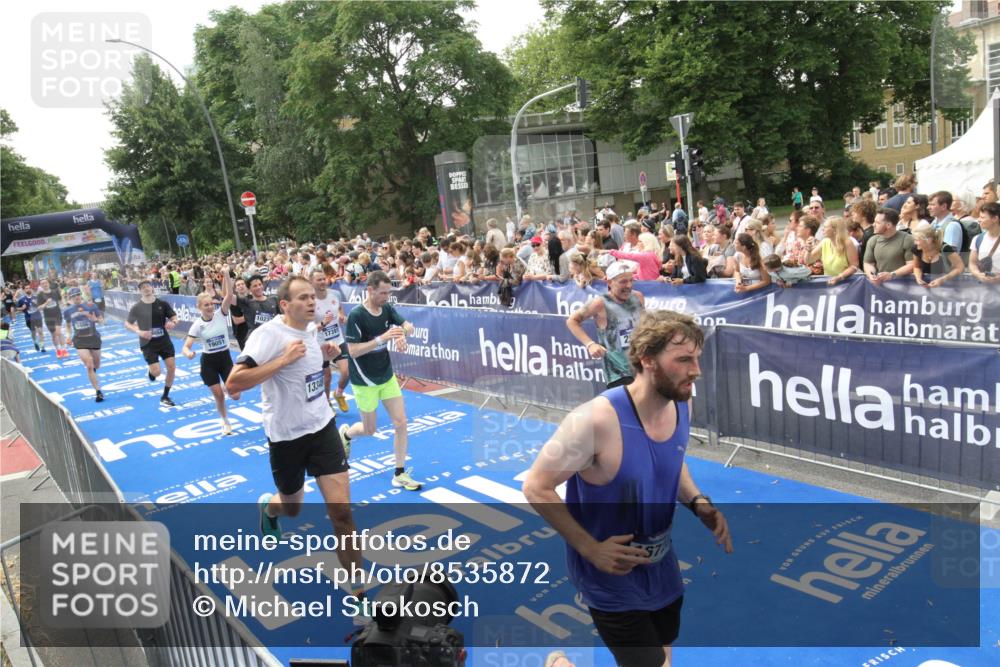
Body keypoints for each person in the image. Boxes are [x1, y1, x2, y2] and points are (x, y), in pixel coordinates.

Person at [523, 310, 732, 667]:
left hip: (661, 566)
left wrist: (697, 502)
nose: (696, 370)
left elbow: (671, 459)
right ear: (648, 360)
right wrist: (590, 549)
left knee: (664, 656)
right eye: (684, 360)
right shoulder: (593, 420)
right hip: (610, 576)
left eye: (697, 358)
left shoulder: (682, 403)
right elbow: (536, 486)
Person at [225, 276, 366, 616]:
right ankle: (269, 509)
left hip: (323, 429)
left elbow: (309, 377)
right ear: (285, 305)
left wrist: (326, 359)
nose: (311, 302)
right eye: (302, 297)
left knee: (342, 514)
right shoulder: (268, 335)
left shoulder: (314, 329)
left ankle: (360, 595)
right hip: (286, 437)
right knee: (292, 508)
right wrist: (282, 361)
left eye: (312, 296)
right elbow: (233, 383)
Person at [338, 272, 422, 491]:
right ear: (370, 290)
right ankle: (346, 434)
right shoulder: (356, 315)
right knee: (369, 430)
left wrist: (401, 334)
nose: (386, 297)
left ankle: (399, 473)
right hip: (364, 380)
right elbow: (353, 351)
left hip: (386, 375)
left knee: (401, 422)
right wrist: (381, 339)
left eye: (388, 293)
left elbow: (408, 325)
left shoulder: (387, 309)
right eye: (382, 293)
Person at [567, 261, 645, 389]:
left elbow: (643, 325)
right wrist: (590, 344)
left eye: (631, 280)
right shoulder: (600, 303)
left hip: (641, 367)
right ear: (609, 282)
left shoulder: (638, 297)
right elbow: (572, 321)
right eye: (623, 282)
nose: (629, 285)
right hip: (618, 373)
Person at [182, 271, 241, 433]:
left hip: (225, 359)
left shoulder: (221, 314)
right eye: (206, 305)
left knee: (236, 396)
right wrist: (188, 353)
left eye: (211, 304)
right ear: (199, 307)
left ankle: (225, 386)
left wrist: (226, 276)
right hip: (209, 363)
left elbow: (229, 295)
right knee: (219, 396)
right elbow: (186, 346)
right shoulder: (197, 325)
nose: (210, 307)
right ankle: (225, 421)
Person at [125, 280, 179, 407]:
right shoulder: (137, 307)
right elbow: (127, 324)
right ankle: (151, 372)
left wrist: (173, 323)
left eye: (148, 286)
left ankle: (165, 396)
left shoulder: (162, 304)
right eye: (143, 287)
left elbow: (175, 317)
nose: (146, 288)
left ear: (152, 288)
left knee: (171, 367)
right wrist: (139, 331)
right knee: (157, 373)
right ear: (140, 291)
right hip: (148, 343)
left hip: (164, 341)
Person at [310, 268, 351, 412]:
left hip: (337, 339)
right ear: (311, 282)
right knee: (326, 376)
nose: (323, 282)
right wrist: (323, 324)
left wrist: (341, 316)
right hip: (320, 343)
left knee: (347, 371)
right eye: (319, 280)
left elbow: (339, 308)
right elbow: (308, 328)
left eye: (323, 279)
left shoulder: (335, 294)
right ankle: (327, 404)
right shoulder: (310, 301)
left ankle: (338, 393)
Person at [62, 287, 105, 402]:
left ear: (80, 295)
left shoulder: (91, 306)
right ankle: (98, 391)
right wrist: (67, 336)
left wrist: (96, 320)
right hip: (79, 340)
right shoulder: (67, 311)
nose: (76, 297)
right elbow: (68, 326)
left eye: (78, 294)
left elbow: (102, 321)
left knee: (97, 365)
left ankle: (94, 373)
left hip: (93, 338)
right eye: (73, 296)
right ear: (70, 298)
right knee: (89, 364)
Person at [864, 208, 915, 285]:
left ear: (888, 225)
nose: (873, 225)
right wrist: (872, 275)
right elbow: (868, 263)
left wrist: (892, 275)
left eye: (877, 223)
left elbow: (912, 265)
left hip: (903, 286)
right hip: (881, 286)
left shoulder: (907, 239)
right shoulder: (873, 240)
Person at [806, 217, 859, 286]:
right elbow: (809, 261)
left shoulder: (847, 243)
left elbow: (854, 266)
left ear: (835, 230)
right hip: (830, 282)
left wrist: (839, 277)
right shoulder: (824, 242)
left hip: (846, 283)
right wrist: (808, 250)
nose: (822, 229)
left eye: (825, 227)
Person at [910, 222, 965, 288]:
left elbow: (960, 267)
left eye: (917, 240)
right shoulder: (916, 249)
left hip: (949, 287)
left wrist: (942, 279)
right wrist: (918, 278)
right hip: (927, 287)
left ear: (929, 240)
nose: (915, 243)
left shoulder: (945, 249)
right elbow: (917, 267)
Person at [970, 202, 1000, 284]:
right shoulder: (977, 239)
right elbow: (972, 263)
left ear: (995, 218)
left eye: (982, 217)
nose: (979, 220)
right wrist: (978, 274)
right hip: (984, 288)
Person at [37, 279, 68, 358]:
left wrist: (64, 305)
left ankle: (64, 349)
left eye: (46, 283)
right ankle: (58, 350)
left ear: (49, 283)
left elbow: (61, 300)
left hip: (57, 314)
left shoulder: (55, 292)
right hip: (48, 317)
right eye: (42, 283)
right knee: (54, 335)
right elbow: (39, 308)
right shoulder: (40, 295)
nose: (45, 284)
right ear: (41, 286)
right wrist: (46, 303)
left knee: (58, 332)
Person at [17, 285, 46, 353]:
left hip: (38, 317)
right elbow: (17, 308)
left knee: (40, 331)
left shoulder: (36, 297)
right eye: (26, 288)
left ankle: (42, 347)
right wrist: (22, 308)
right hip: (29, 318)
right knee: (34, 332)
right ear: (24, 290)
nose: (28, 289)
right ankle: (35, 342)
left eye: (29, 288)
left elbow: (41, 305)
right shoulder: (21, 300)